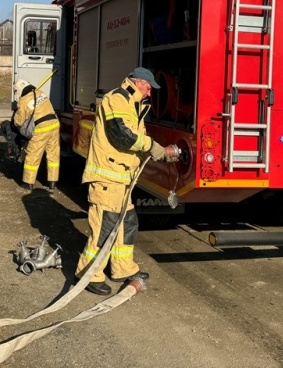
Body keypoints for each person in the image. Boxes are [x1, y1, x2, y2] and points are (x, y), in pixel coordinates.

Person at [75, 67, 179, 296]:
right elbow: (122, 135)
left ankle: (123, 268)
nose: (150, 93)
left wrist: (154, 152)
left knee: (127, 224)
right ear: (138, 82)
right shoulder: (117, 99)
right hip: (107, 178)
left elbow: (131, 141)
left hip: (121, 180)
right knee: (105, 228)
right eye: (149, 88)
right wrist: (153, 147)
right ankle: (89, 274)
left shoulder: (133, 105)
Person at [12, 79, 60, 191]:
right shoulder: (40, 93)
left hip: (41, 128)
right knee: (53, 154)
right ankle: (52, 182)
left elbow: (18, 121)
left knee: (33, 155)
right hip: (54, 124)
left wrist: (15, 116)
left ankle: (28, 183)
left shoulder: (24, 100)